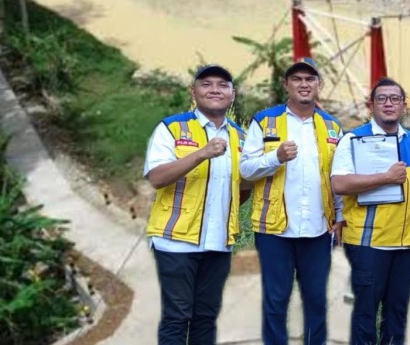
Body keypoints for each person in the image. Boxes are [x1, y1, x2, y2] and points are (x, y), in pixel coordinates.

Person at [240, 57, 345, 345]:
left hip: (318, 230)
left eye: (310, 79)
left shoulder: (332, 127)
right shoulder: (265, 121)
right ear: (285, 84)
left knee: (316, 300)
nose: (304, 84)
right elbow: (245, 169)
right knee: (276, 299)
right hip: (274, 231)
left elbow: (337, 177)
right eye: (297, 79)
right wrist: (275, 157)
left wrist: (340, 217)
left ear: (319, 85)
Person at [144, 64, 250, 345]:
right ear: (193, 91)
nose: (215, 90)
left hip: (218, 243)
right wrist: (201, 154)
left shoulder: (241, 137)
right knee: (177, 316)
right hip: (175, 241)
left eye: (223, 85)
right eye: (206, 84)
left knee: (206, 317)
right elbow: (157, 178)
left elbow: (243, 189)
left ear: (232, 94)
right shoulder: (172, 128)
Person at [331, 77, 410, 345]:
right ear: (370, 105)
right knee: (365, 313)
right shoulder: (353, 139)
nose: (388, 103)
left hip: (406, 244)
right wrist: (385, 178)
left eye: (395, 98)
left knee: (397, 315)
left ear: (404, 105)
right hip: (369, 243)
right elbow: (339, 184)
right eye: (381, 98)